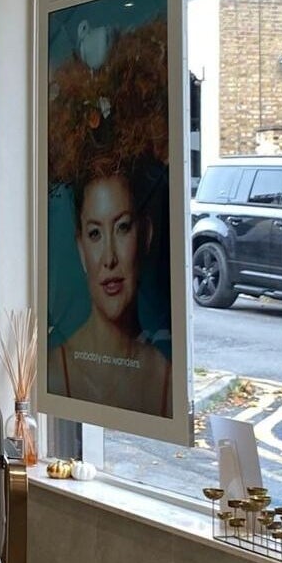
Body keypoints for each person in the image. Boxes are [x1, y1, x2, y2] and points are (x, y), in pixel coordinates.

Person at [50, 154, 170, 416]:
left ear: (146, 235)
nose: (109, 258)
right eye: (95, 233)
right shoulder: (53, 372)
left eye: (122, 227)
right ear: (81, 250)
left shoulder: (166, 381)